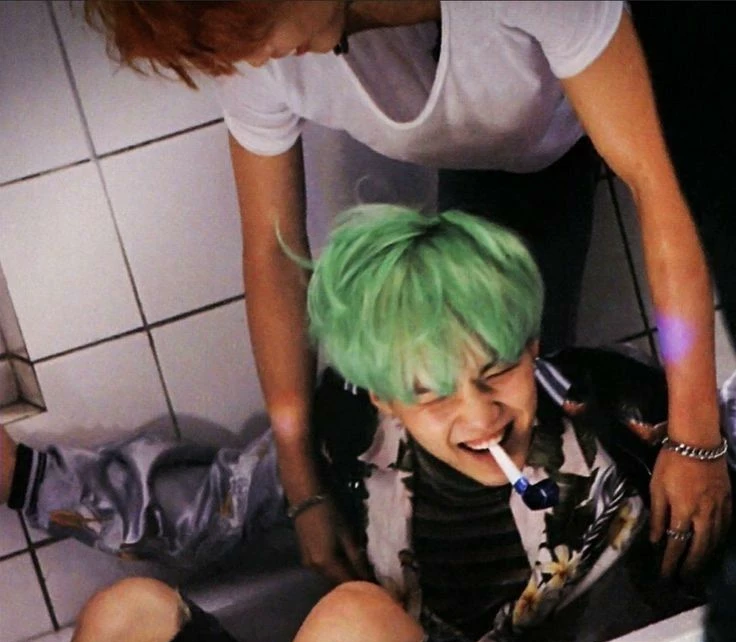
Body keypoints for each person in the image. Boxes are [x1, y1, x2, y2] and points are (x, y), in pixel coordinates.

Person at [2, 207, 710, 642]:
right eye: (430, 394)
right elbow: (214, 507)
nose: (479, 415)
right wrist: (20, 476)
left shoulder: (620, 413)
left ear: (530, 344)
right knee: (126, 615)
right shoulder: (353, 441)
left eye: (497, 370)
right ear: (383, 396)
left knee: (355, 619)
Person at [82, 0, 730, 586]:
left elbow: (658, 186)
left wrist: (697, 439)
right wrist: (303, 486)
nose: (256, 59)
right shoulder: (253, 54)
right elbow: (274, 257)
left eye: (257, 32)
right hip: (514, 158)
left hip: (675, 58)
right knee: (498, 397)